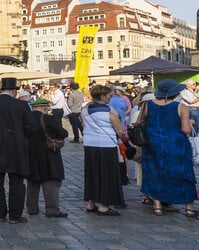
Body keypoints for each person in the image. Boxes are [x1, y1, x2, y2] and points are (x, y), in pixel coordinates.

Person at [0, 77, 36, 223]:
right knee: (17, 182)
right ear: (14, 91)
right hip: (17, 148)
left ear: (1, 89)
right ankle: (15, 215)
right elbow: (31, 127)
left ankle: (0, 214)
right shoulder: (21, 105)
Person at [138, 78, 197, 216]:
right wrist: (191, 122)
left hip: (153, 144)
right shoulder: (181, 106)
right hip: (176, 145)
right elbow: (186, 129)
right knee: (184, 174)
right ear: (175, 92)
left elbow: (140, 122)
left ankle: (157, 206)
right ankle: (189, 208)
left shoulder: (147, 105)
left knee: (155, 172)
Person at [80, 84, 125, 216]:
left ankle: (91, 202)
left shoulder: (85, 109)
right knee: (107, 175)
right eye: (109, 96)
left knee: (92, 173)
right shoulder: (109, 112)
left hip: (89, 145)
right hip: (107, 146)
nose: (110, 99)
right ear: (102, 96)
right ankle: (104, 206)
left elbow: (83, 125)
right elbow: (120, 131)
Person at [25, 98, 69, 218]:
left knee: (33, 181)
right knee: (50, 182)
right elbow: (63, 133)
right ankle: (52, 209)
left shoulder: (26, 119)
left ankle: (31, 208)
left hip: (31, 154)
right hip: (49, 154)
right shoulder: (47, 119)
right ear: (44, 107)